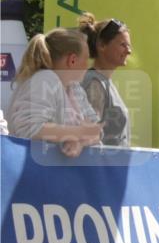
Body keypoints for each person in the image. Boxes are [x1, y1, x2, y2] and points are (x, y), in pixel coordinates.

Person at [8, 28, 102, 157]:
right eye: (86, 59)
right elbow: (29, 129)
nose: (88, 66)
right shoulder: (44, 79)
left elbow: (96, 131)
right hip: (30, 167)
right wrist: (76, 134)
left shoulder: (75, 88)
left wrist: (79, 142)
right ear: (72, 60)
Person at [78, 13, 131, 147]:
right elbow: (89, 136)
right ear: (102, 45)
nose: (129, 51)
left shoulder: (105, 83)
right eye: (123, 45)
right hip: (102, 160)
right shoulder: (94, 83)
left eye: (129, 45)